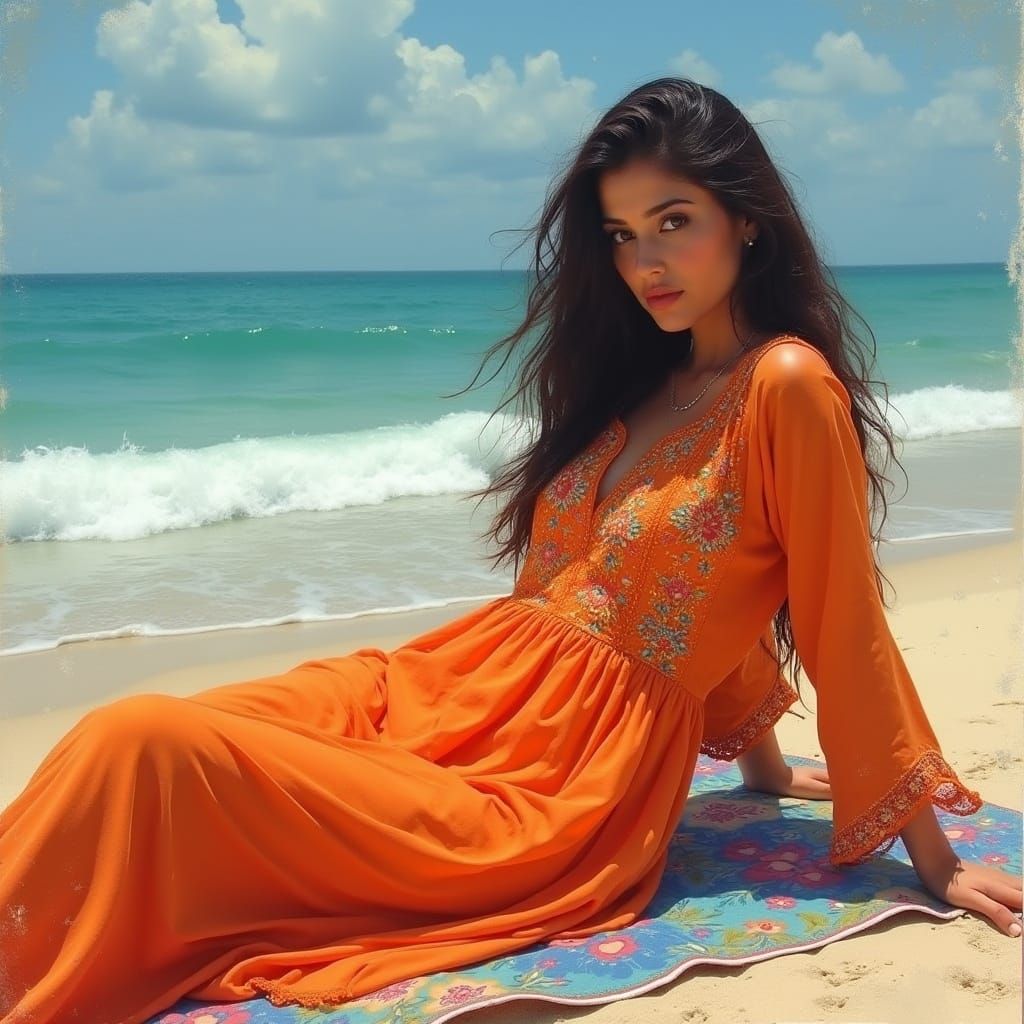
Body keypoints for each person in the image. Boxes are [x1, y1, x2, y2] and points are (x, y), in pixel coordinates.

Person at [1, 76, 1020, 1024]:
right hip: (447, 687)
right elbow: (700, 579)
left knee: (147, 740)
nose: (644, 262)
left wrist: (927, 852)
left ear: (745, 220)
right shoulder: (643, 384)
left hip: (553, 784)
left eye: (674, 222)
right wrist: (756, 757)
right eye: (623, 234)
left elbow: (835, 609)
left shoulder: (786, 385)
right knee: (134, 737)